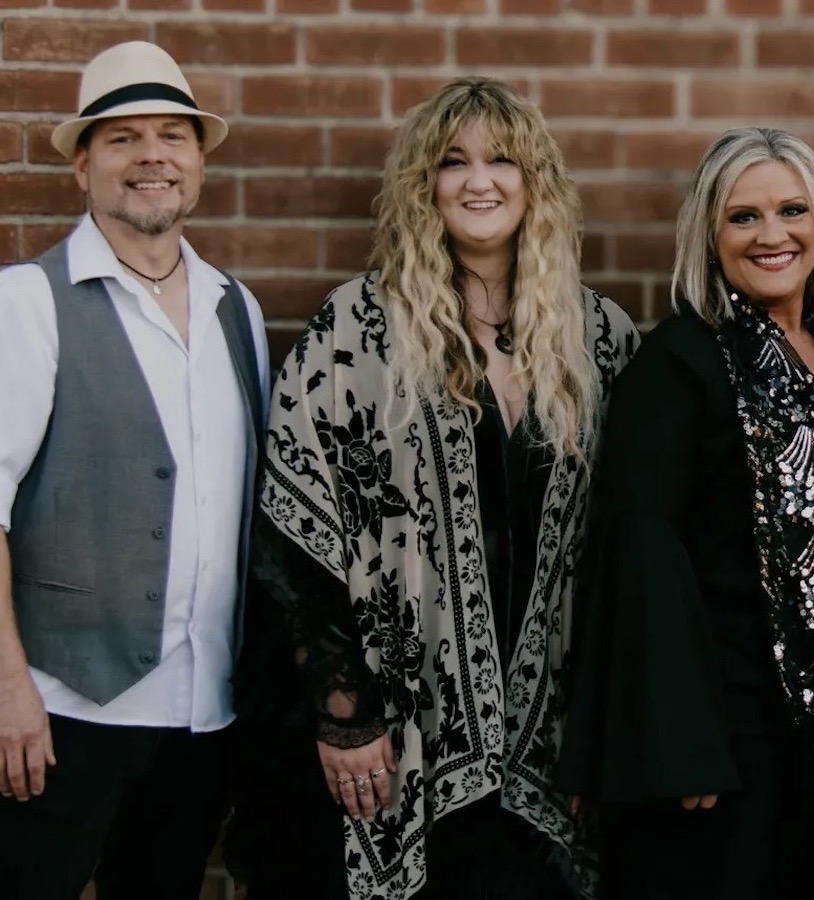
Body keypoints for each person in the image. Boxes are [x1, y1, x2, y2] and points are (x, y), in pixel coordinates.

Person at [225, 76, 637, 900]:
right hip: (394, 745)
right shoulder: (355, 331)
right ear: (425, 186)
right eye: (453, 162)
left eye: (502, 161)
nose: (479, 181)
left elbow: (625, 562)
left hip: (547, 756)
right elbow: (293, 540)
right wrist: (346, 713)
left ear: (537, 183)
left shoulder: (601, 339)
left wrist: (600, 737)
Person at [556, 126, 814, 900]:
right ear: (709, 233)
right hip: (732, 737)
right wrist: (679, 743)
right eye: (743, 217)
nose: (772, 235)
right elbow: (641, 550)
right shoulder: (681, 364)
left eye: (792, 210)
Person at [0, 41, 268, 899]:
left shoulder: (239, 309)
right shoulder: (28, 304)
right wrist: (8, 692)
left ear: (197, 162)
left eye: (172, 136)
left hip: (202, 718)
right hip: (62, 710)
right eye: (122, 138)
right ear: (83, 166)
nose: (152, 155)